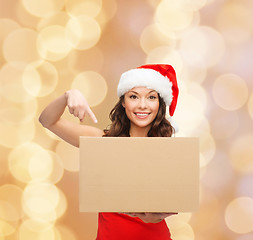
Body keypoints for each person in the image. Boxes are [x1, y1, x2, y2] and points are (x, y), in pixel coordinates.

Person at [39, 64, 179, 240]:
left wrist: (159, 214)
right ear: (123, 101)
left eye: (151, 97)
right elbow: (47, 120)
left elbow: (174, 204)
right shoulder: (103, 142)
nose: (142, 105)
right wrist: (69, 95)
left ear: (159, 104)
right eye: (134, 97)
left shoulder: (167, 150)